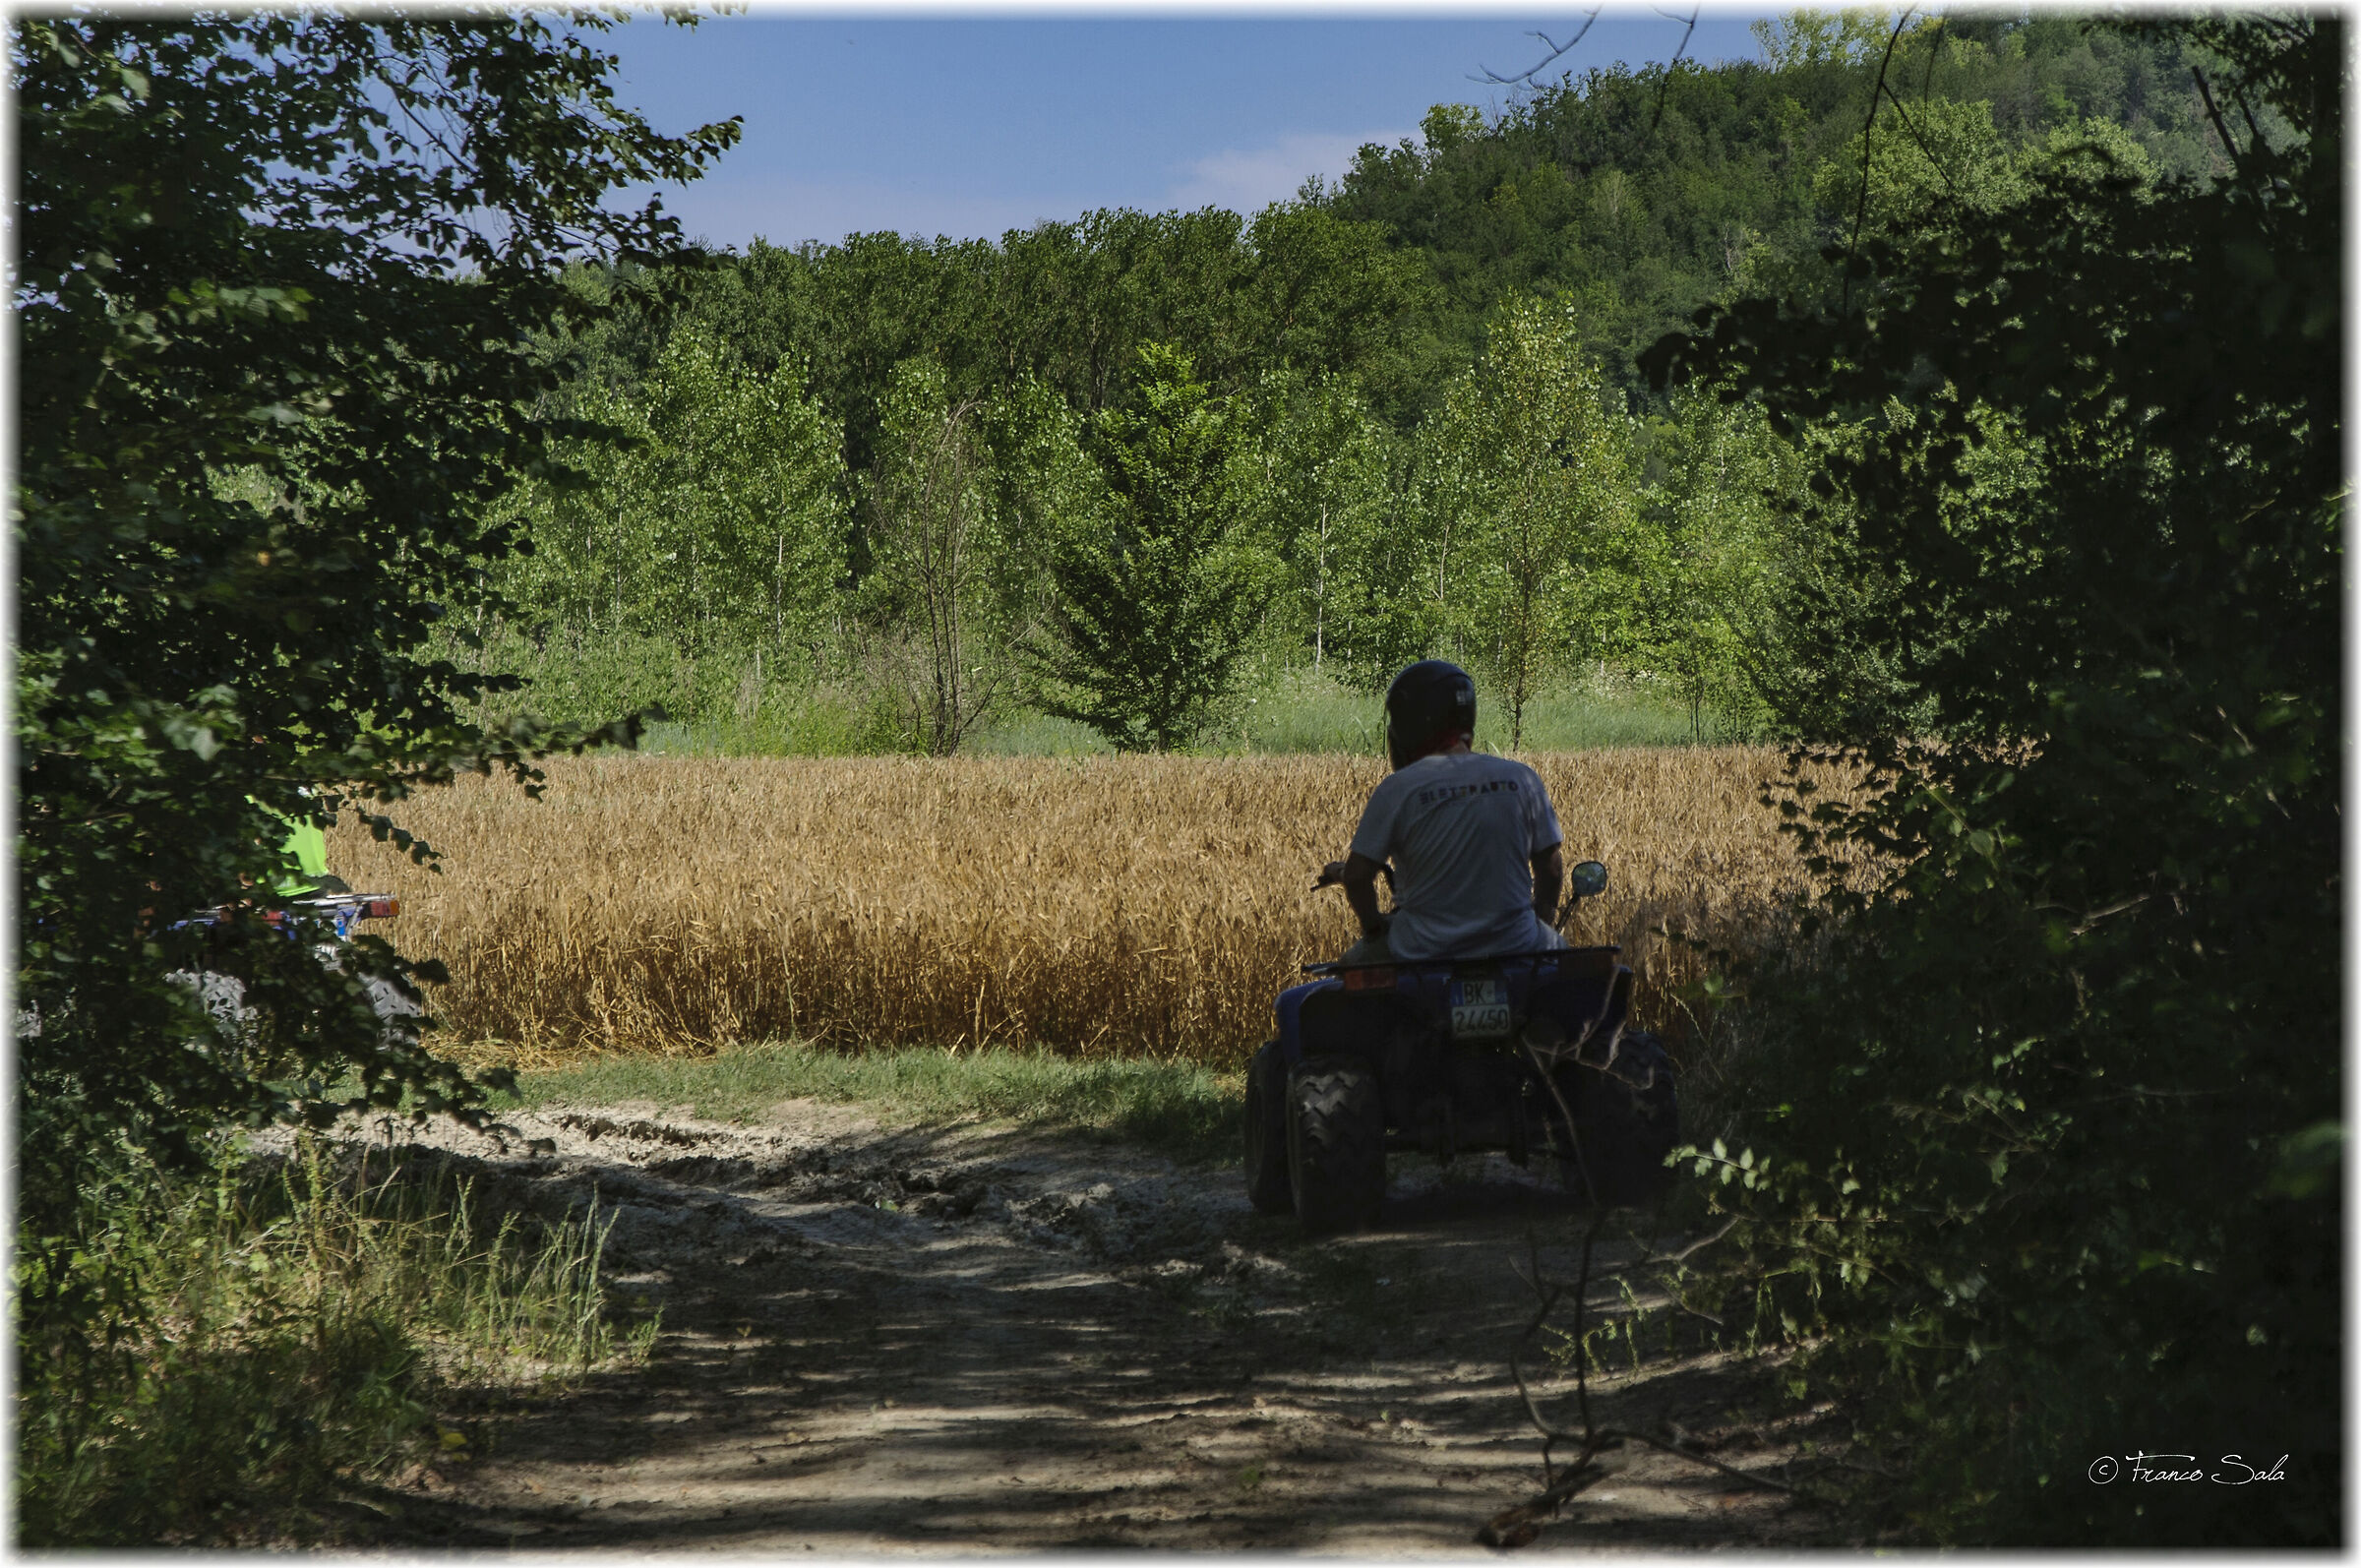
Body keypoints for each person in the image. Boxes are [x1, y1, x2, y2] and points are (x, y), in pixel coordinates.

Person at [1316, 660, 1566, 965]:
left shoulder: (1397, 788)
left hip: (1418, 952)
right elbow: (1551, 867)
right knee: (1570, 982)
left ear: (1409, 725)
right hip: (1518, 945)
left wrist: (1373, 927)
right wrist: (1542, 919)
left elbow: (1356, 877)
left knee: (1344, 984)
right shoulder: (1522, 778)